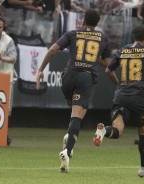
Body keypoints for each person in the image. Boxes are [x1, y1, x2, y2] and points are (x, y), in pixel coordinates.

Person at [93, 25, 144, 177]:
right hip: (138, 95)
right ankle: (143, 168)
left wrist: (119, 83)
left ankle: (104, 130)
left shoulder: (123, 50)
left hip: (121, 95)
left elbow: (108, 70)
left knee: (117, 130)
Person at [36, 9, 112, 173]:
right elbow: (108, 65)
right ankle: (67, 151)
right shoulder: (103, 38)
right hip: (85, 77)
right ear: (97, 23)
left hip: (68, 76)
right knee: (77, 115)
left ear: (83, 21)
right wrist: (94, 59)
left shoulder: (72, 33)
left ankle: (69, 137)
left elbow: (52, 50)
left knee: (73, 108)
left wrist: (41, 69)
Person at [0, 16, 17, 116]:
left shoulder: (8, 40)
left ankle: (5, 128)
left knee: (5, 103)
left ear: (3, 28)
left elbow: (13, 58)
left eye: (0, 27)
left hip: (5, 76)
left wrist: (2, 58)